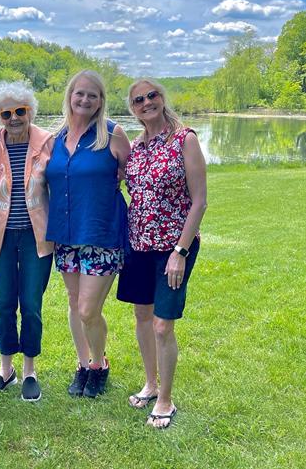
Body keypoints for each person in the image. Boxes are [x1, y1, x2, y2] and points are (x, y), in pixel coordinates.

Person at [117, 79, 207, 429]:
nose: (146, 102)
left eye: (151, 95)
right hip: (138, 245)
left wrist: (180, 252)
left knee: (162, 324)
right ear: (133, 108)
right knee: (142, 316)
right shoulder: (135, 147)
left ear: (162, 98)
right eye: (138, 100)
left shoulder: (185, 139)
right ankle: (151, 384)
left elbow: (199, 201)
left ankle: (165, 399)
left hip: (173, 247)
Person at [45, 70, 130, 398]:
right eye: (79, 93)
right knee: (73, 302)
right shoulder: (55, 138)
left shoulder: (112, 134)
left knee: (87, 309)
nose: (85, 99)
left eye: (92, 95)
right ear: (69, 96)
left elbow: (136, 177)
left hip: (101, 234)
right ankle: (82, 364)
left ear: (101, 101)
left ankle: (98, 364)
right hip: (65, 235)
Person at [0, 81, 54, 402]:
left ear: (30, 111)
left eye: (20, 111)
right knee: (4, 304)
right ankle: (5, 369)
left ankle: (29, 371)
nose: (14, 118)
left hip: (37, 237)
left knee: (32, 305)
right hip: (1, 238)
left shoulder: (48, 143)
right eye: (6, 113)